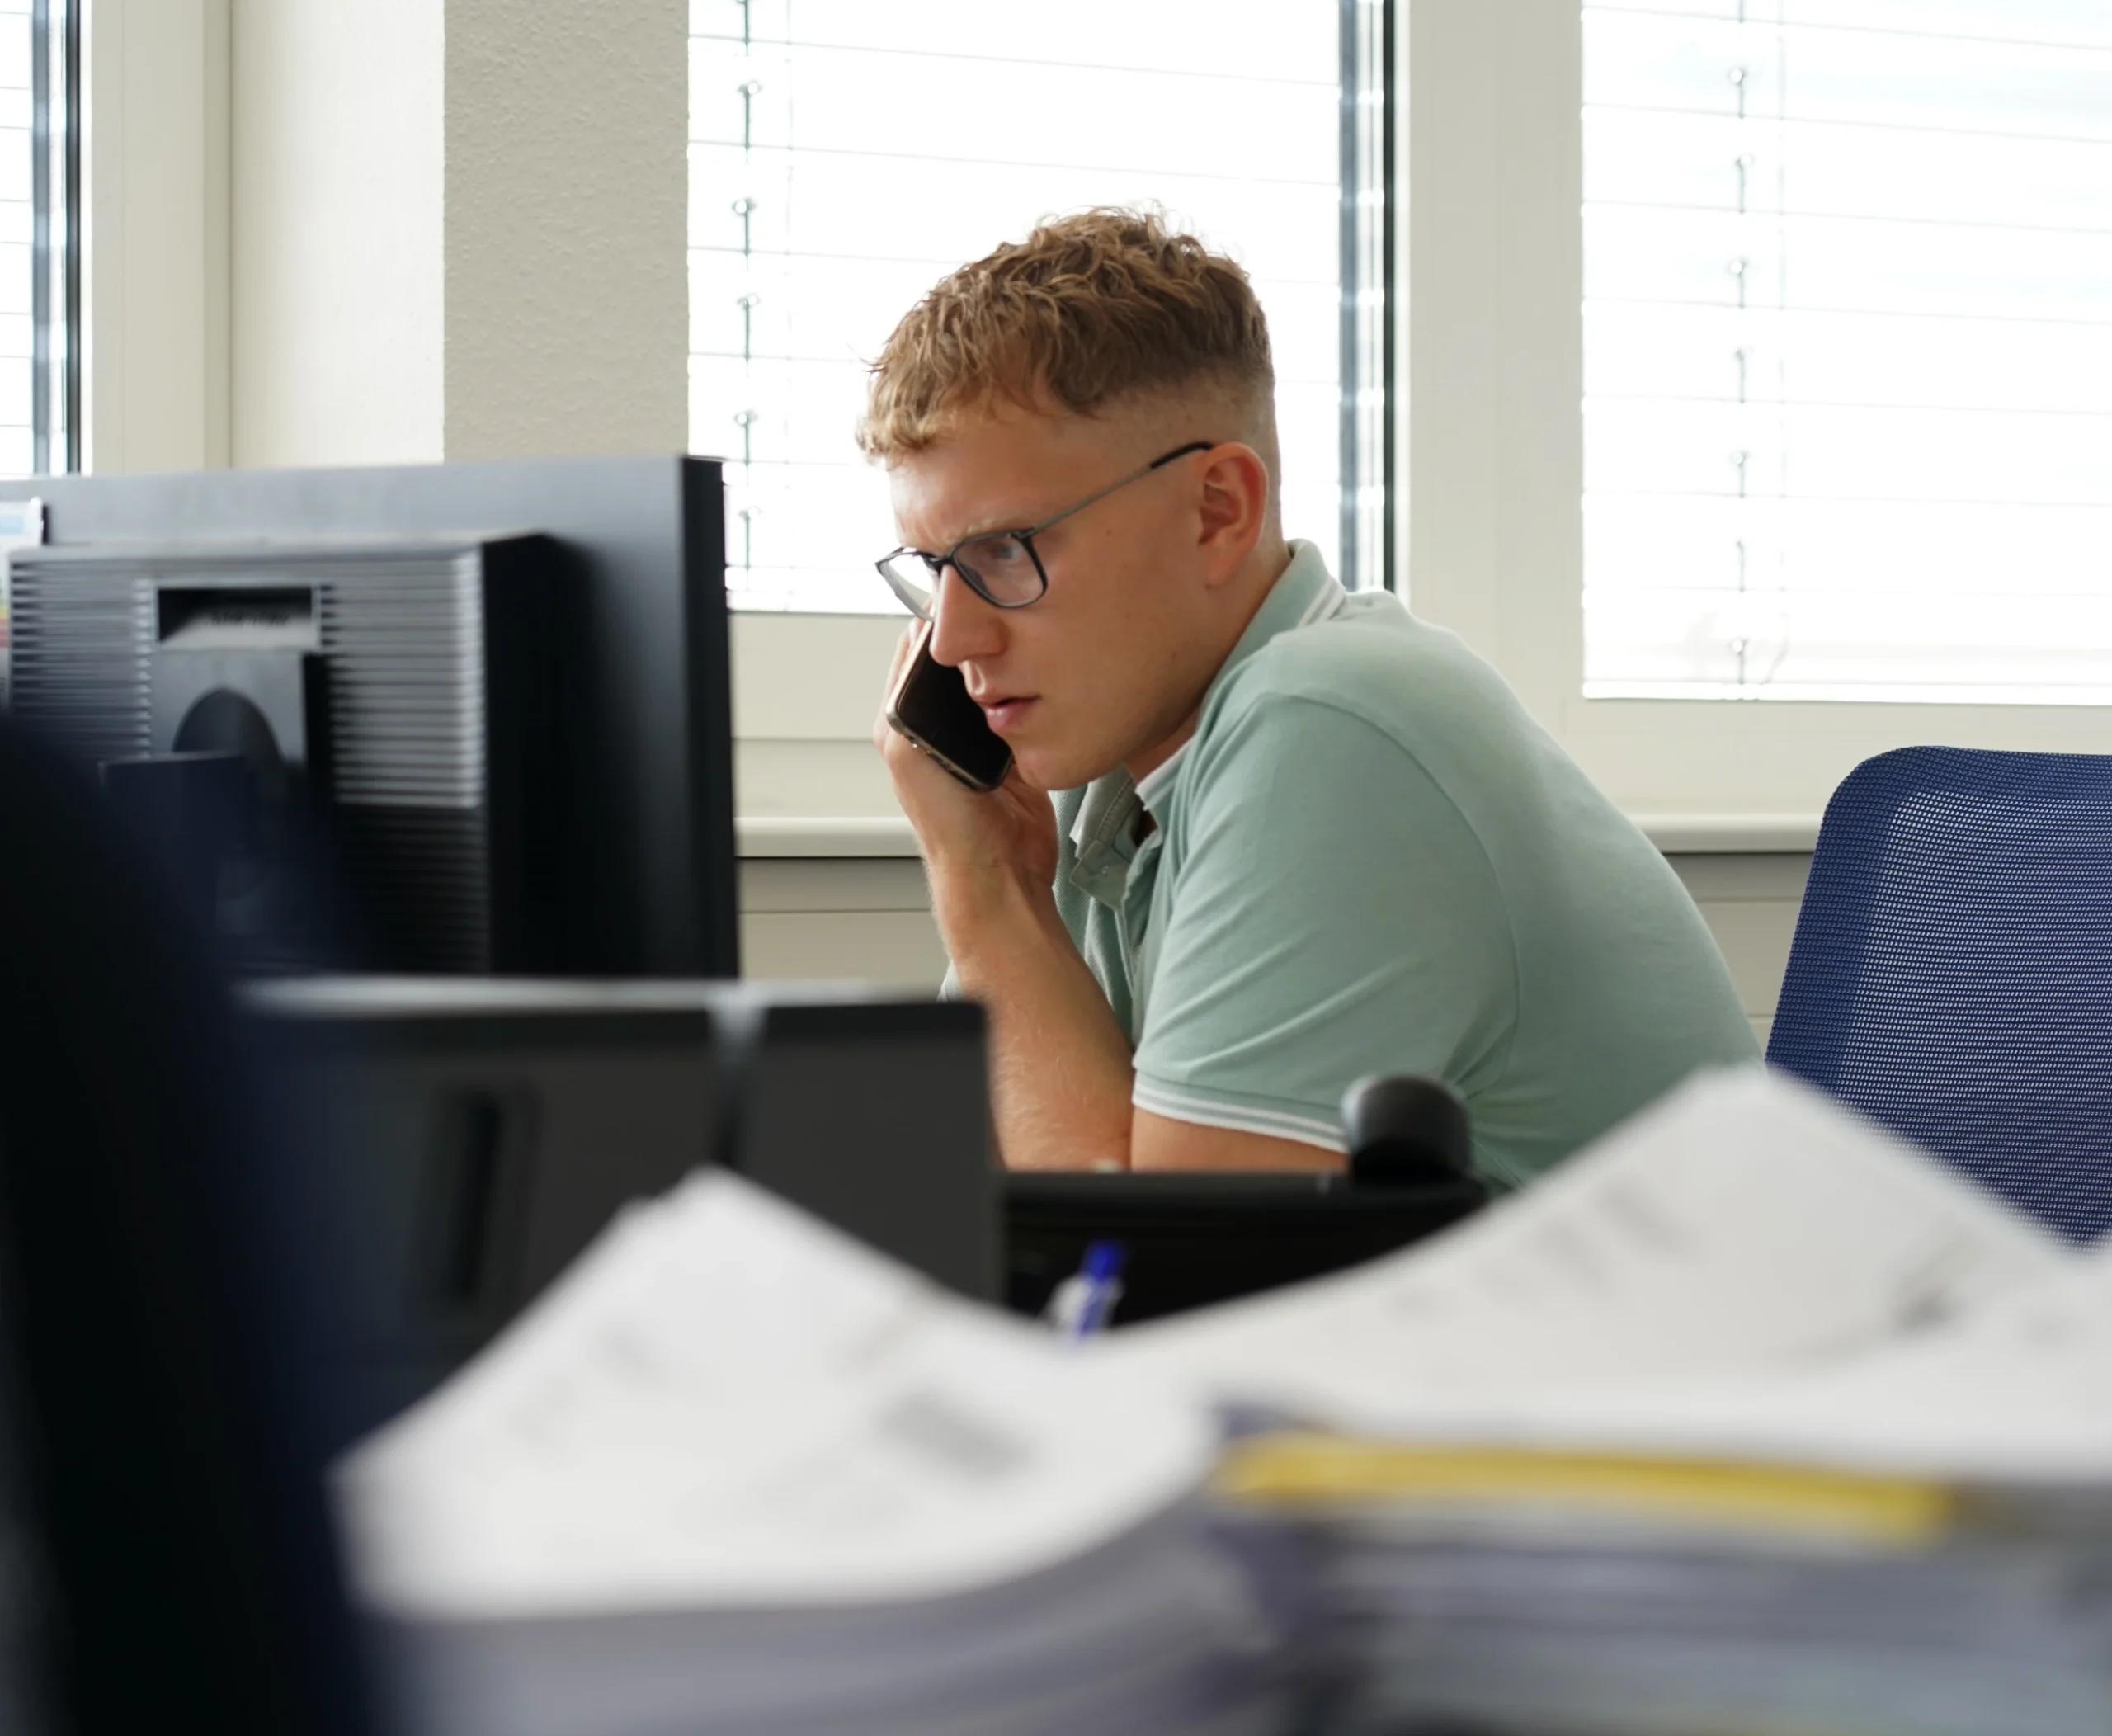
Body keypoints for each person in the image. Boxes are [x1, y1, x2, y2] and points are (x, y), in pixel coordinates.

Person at [862, 208, 1757, 1187]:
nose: (952, 639)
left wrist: (982, 888)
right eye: (935, 567)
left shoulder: (1331, 722)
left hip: (1666, 1344)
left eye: (1004, 551)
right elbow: (959, 1191)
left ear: (1216, 512)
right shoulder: (1098, 753)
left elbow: (1156, 1281)